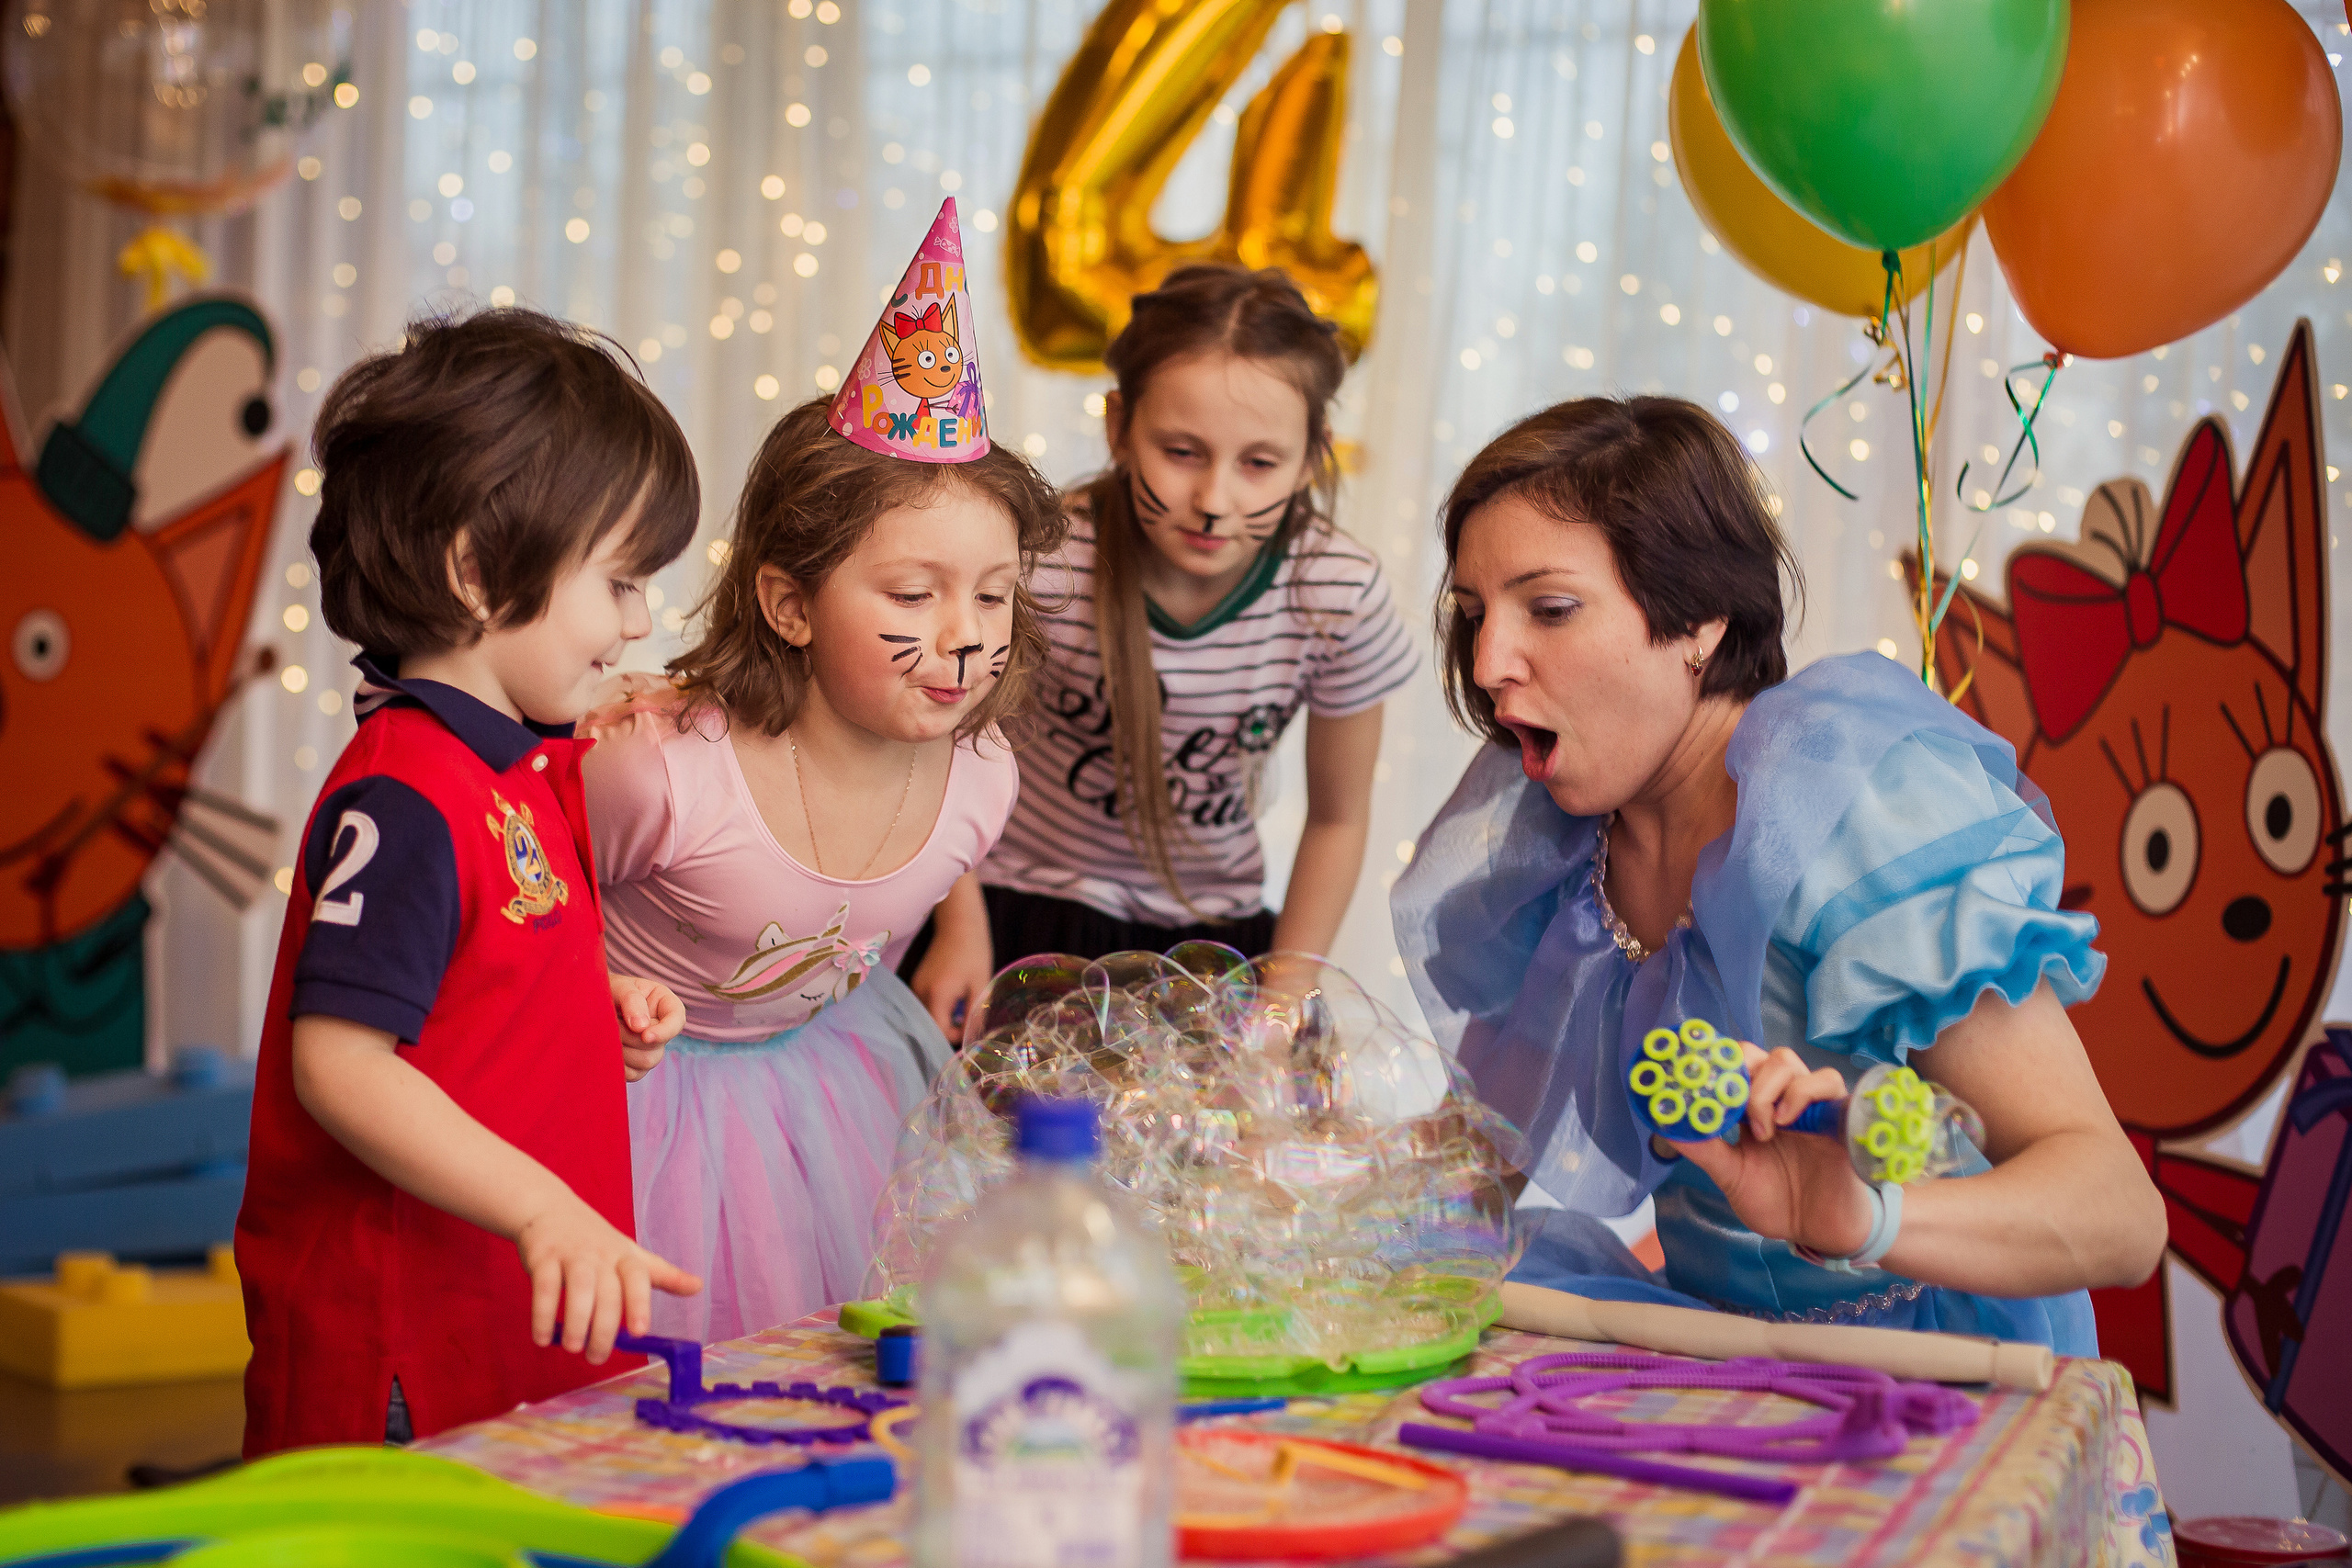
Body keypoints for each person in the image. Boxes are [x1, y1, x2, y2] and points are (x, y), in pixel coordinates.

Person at [1391, 397, 2166, 1350]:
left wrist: (1869, 1222)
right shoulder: (1560, 843)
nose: (1488, 660)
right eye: (1473, 615)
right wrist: (1281, 1193)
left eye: (1548, 609)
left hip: (1940, 1370)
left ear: (1698, 623)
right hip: (1721, 1361)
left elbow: (2120, 1216)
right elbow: (1471, 1164)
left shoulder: (1842, 811)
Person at [587, 201, 1066, 1341]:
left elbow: (929, 834)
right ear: (789, 602)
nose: (963, 636)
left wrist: (965, 925)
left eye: (992, 596)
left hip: (836, 1081)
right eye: (913, 594)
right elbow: (518, 899)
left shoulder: (983, 774)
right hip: (639, 1107)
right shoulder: (656, 774)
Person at [236, 309, 705, 1455]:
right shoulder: (402, 798)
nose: (638, 619)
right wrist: (544, 1208)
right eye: (622, 580)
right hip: (405, 1350)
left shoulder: (508, 765)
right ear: (479, 570)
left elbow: (470, 967)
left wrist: (585, 1009)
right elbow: (341, 1066)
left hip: (498, 1324)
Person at [961, 265, 1413, 968]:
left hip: (1211, 946)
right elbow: (937, 745)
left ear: (1310, 458)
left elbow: (1338, 819)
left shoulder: (1337, 596)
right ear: (1119, 426)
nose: (1212, 498)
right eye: (1180, 452)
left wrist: (1285, 995)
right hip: (1009, 913)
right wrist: (959, 931)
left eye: (1259, 463)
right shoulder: (1040, 560)